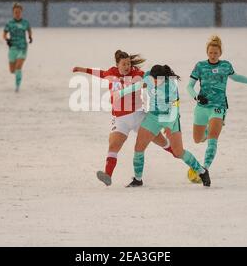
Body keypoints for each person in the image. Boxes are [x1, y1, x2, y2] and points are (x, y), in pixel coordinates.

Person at [73, 50, 173, 186]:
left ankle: (178, 152)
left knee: (162, 142)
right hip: (120, 119)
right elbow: (99, 73)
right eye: (124, 64)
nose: (127, 66)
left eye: (129, 63)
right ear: (117, 65)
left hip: (139, 116)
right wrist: (81, 69)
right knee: (114, 145)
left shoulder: (137, 73)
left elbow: (151, 79)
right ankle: (107, 175)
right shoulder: (111, 73)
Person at [186, 35, 247, 183]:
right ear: (207, 52)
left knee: (212, 140)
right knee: (197, 139)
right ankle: (210, 129)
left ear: (220, 53)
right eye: (210, 53)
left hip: (218, 107)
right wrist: (197, 97)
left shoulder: (225, 66)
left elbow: (237, 78)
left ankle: (205, 170)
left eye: (215, 53)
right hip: (202, 107)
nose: (213, 55)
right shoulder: (200, 66)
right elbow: (189, 86)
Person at [116, 64, 211, 187]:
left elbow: (175, 107)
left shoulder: (171, 85)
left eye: (158, 80)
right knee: (139, 147)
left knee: (178, 152)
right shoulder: (148, 78)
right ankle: (138, 180)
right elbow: (137, 86)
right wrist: (120, 93)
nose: (155, 82)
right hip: (153, 116)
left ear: (164, 78)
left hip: (170, 116)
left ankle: (202, 172)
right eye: (153, 79)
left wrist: (169, 124)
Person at [2, 2, 32, 92]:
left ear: (21, 12)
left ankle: (17, 86)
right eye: (15, 12)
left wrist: (30, 37)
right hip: (13, 48)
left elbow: (29, 30)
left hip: (22, 47)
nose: (17, 14)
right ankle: (18, 74)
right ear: (13, 12)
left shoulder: (25, 23)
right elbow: (4, 34)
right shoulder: (9, 23)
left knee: (18, 67)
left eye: (19, 12)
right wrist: (7, 40)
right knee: (12, 70)